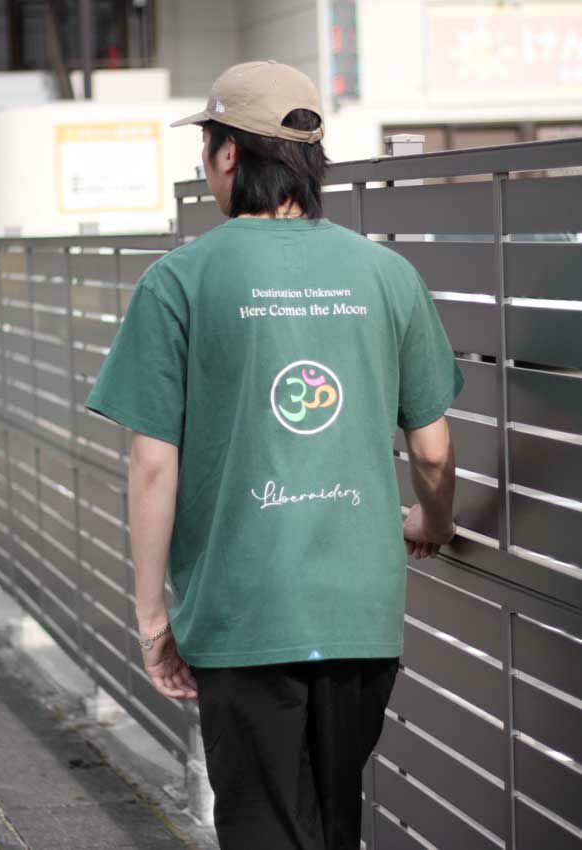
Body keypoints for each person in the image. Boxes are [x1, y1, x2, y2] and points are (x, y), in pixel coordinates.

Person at [85, 60, 462, 850]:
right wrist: (431, 523)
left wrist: (153, 620)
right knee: (333, 821)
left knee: (264, 825)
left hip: (243, 611)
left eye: (208, 147)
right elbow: (432, 452)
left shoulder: (179, 280)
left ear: (228, 153)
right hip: (359, 615)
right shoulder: (388, 275)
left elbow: (152, 465)